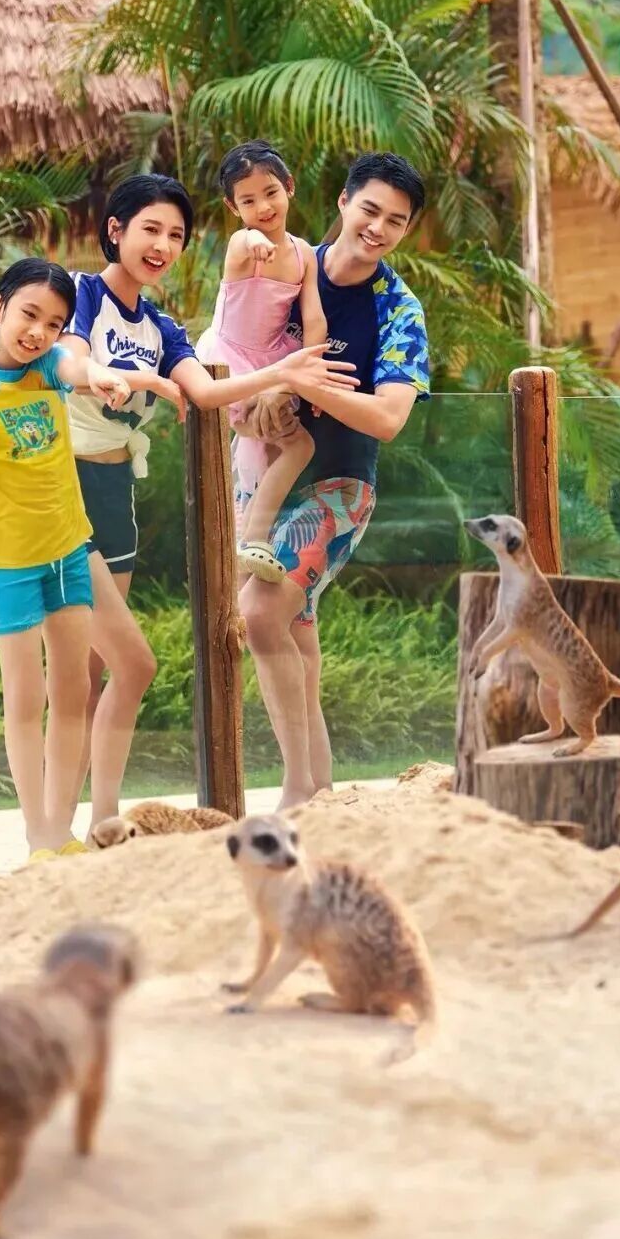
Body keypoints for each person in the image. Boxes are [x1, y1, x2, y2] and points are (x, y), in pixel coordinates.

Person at [60, 173, 360, 835]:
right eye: (150, 229)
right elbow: (70, 361)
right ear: (115, 231)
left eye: (175, 235)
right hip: (63, 492)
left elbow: (207, 392)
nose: (163, 246)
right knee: (108, 668)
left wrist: (281, 373)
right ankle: (61, 828)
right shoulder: (81, 294)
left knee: (100, 669)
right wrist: (125, 377)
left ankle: (97, 823)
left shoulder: (164, 327)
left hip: (115, 497)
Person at [0, 258, 132, 861]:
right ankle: (38, 833)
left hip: (68, 550)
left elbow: (77, 366)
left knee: (72, 691)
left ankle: (59, 832)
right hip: (11, 563)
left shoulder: (51, 366)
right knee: (25, 698)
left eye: (53, 322)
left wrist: (102, 375)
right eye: (28, 314)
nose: (38, 331)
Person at [237, 151, 430, 808]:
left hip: (339, 489)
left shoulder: (399, 309)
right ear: (344, 202)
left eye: (396, 221)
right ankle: (321, 794)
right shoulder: (285, 267)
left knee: (259, 613)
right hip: (261, 474)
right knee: (292, 636)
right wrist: (269, 386)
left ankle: (295, 791)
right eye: (370, 209)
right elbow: (233, 347)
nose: (378, 227)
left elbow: (388, 418)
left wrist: (300, 380)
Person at [195, 140, 327, 583]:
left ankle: (249, 545)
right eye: (248, 201)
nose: (263, 207)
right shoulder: (241, 243)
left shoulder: (304, 253)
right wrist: (255, 242)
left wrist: (306, 379)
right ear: (233, 208)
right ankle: (251, 540)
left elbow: (314, 319)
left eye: (271, 192)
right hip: (231, 365)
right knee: (295, 445)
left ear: (289, 187)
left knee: (278, 449)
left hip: (276, 366)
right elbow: (246, 239)